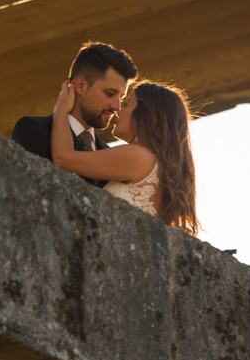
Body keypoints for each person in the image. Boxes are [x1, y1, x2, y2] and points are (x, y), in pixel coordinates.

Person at [51, 79, 198, 234]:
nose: (118, 110)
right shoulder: (157, 165)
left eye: (127, 103)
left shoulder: (136, 156)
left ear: (144, 116)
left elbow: (62, 158)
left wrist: (61, 111)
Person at [11, 42, 138, 186]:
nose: (116, 107)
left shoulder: (108, 155)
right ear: (80, 86)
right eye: (110, 93)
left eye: (121, 98)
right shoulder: (33, 130)